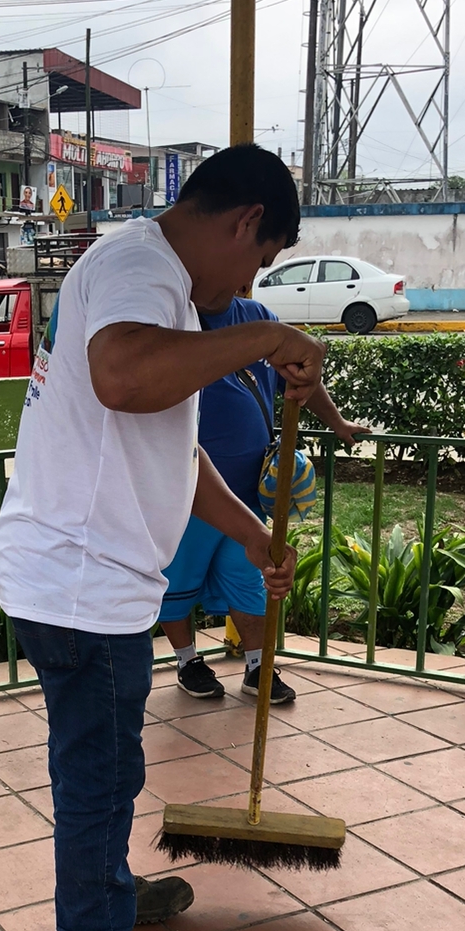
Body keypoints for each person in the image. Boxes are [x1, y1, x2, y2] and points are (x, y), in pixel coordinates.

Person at [0, 143, 327, 931]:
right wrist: (266, 336)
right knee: (100, 778)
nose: (248, 281)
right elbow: (124, 377)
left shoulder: (152, 281)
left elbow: (174, 445)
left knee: (107, 768)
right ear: (246, 221)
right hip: (80, 584)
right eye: (259, 261)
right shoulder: (141, 268)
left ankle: (104, 892)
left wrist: (252, 534)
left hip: (79, 577)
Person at [160, 297, 367, 705]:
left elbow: (302, 379)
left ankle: (259, 667)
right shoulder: (172, 318)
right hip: (190, 499)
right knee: (177, 584)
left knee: (251, 582)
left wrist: (337, 422)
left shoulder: (258, 319)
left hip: (249, 497)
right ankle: (187, 661)